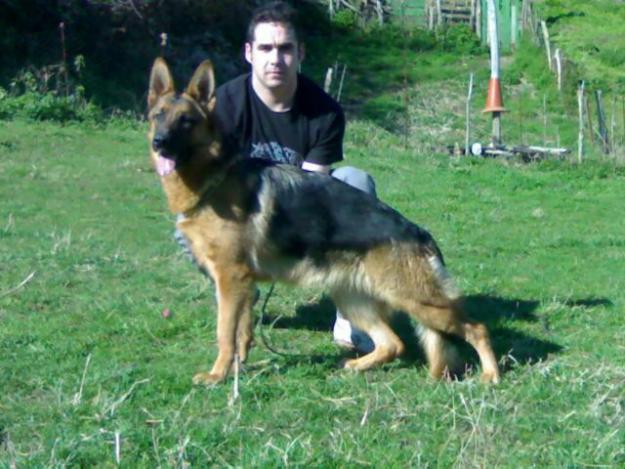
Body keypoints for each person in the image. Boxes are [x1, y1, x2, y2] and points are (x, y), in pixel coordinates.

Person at [212, 1, 375, 353]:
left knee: (357, 182)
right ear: (248, 53)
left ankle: (351, 313)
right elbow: (217, 183)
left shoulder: (324, 112)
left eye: (285, 48)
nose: (276, 59)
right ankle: (240, 290)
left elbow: (312, 192)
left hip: (298, 217)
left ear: (300, 52)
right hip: (241, 218)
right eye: (265, 48)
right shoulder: (224, 104)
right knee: (192, 225)